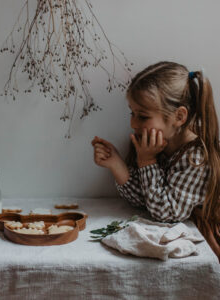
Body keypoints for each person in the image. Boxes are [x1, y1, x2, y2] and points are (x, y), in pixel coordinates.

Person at [91, 61, 220, 260]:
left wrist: (147, 161)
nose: (133, 123)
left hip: (206, 240)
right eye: (132, 113)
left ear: (179, 117)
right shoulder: (158, 144)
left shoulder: (196, 158)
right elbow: (145, 201)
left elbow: (165, 213)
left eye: (142, 116)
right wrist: (117, 165)